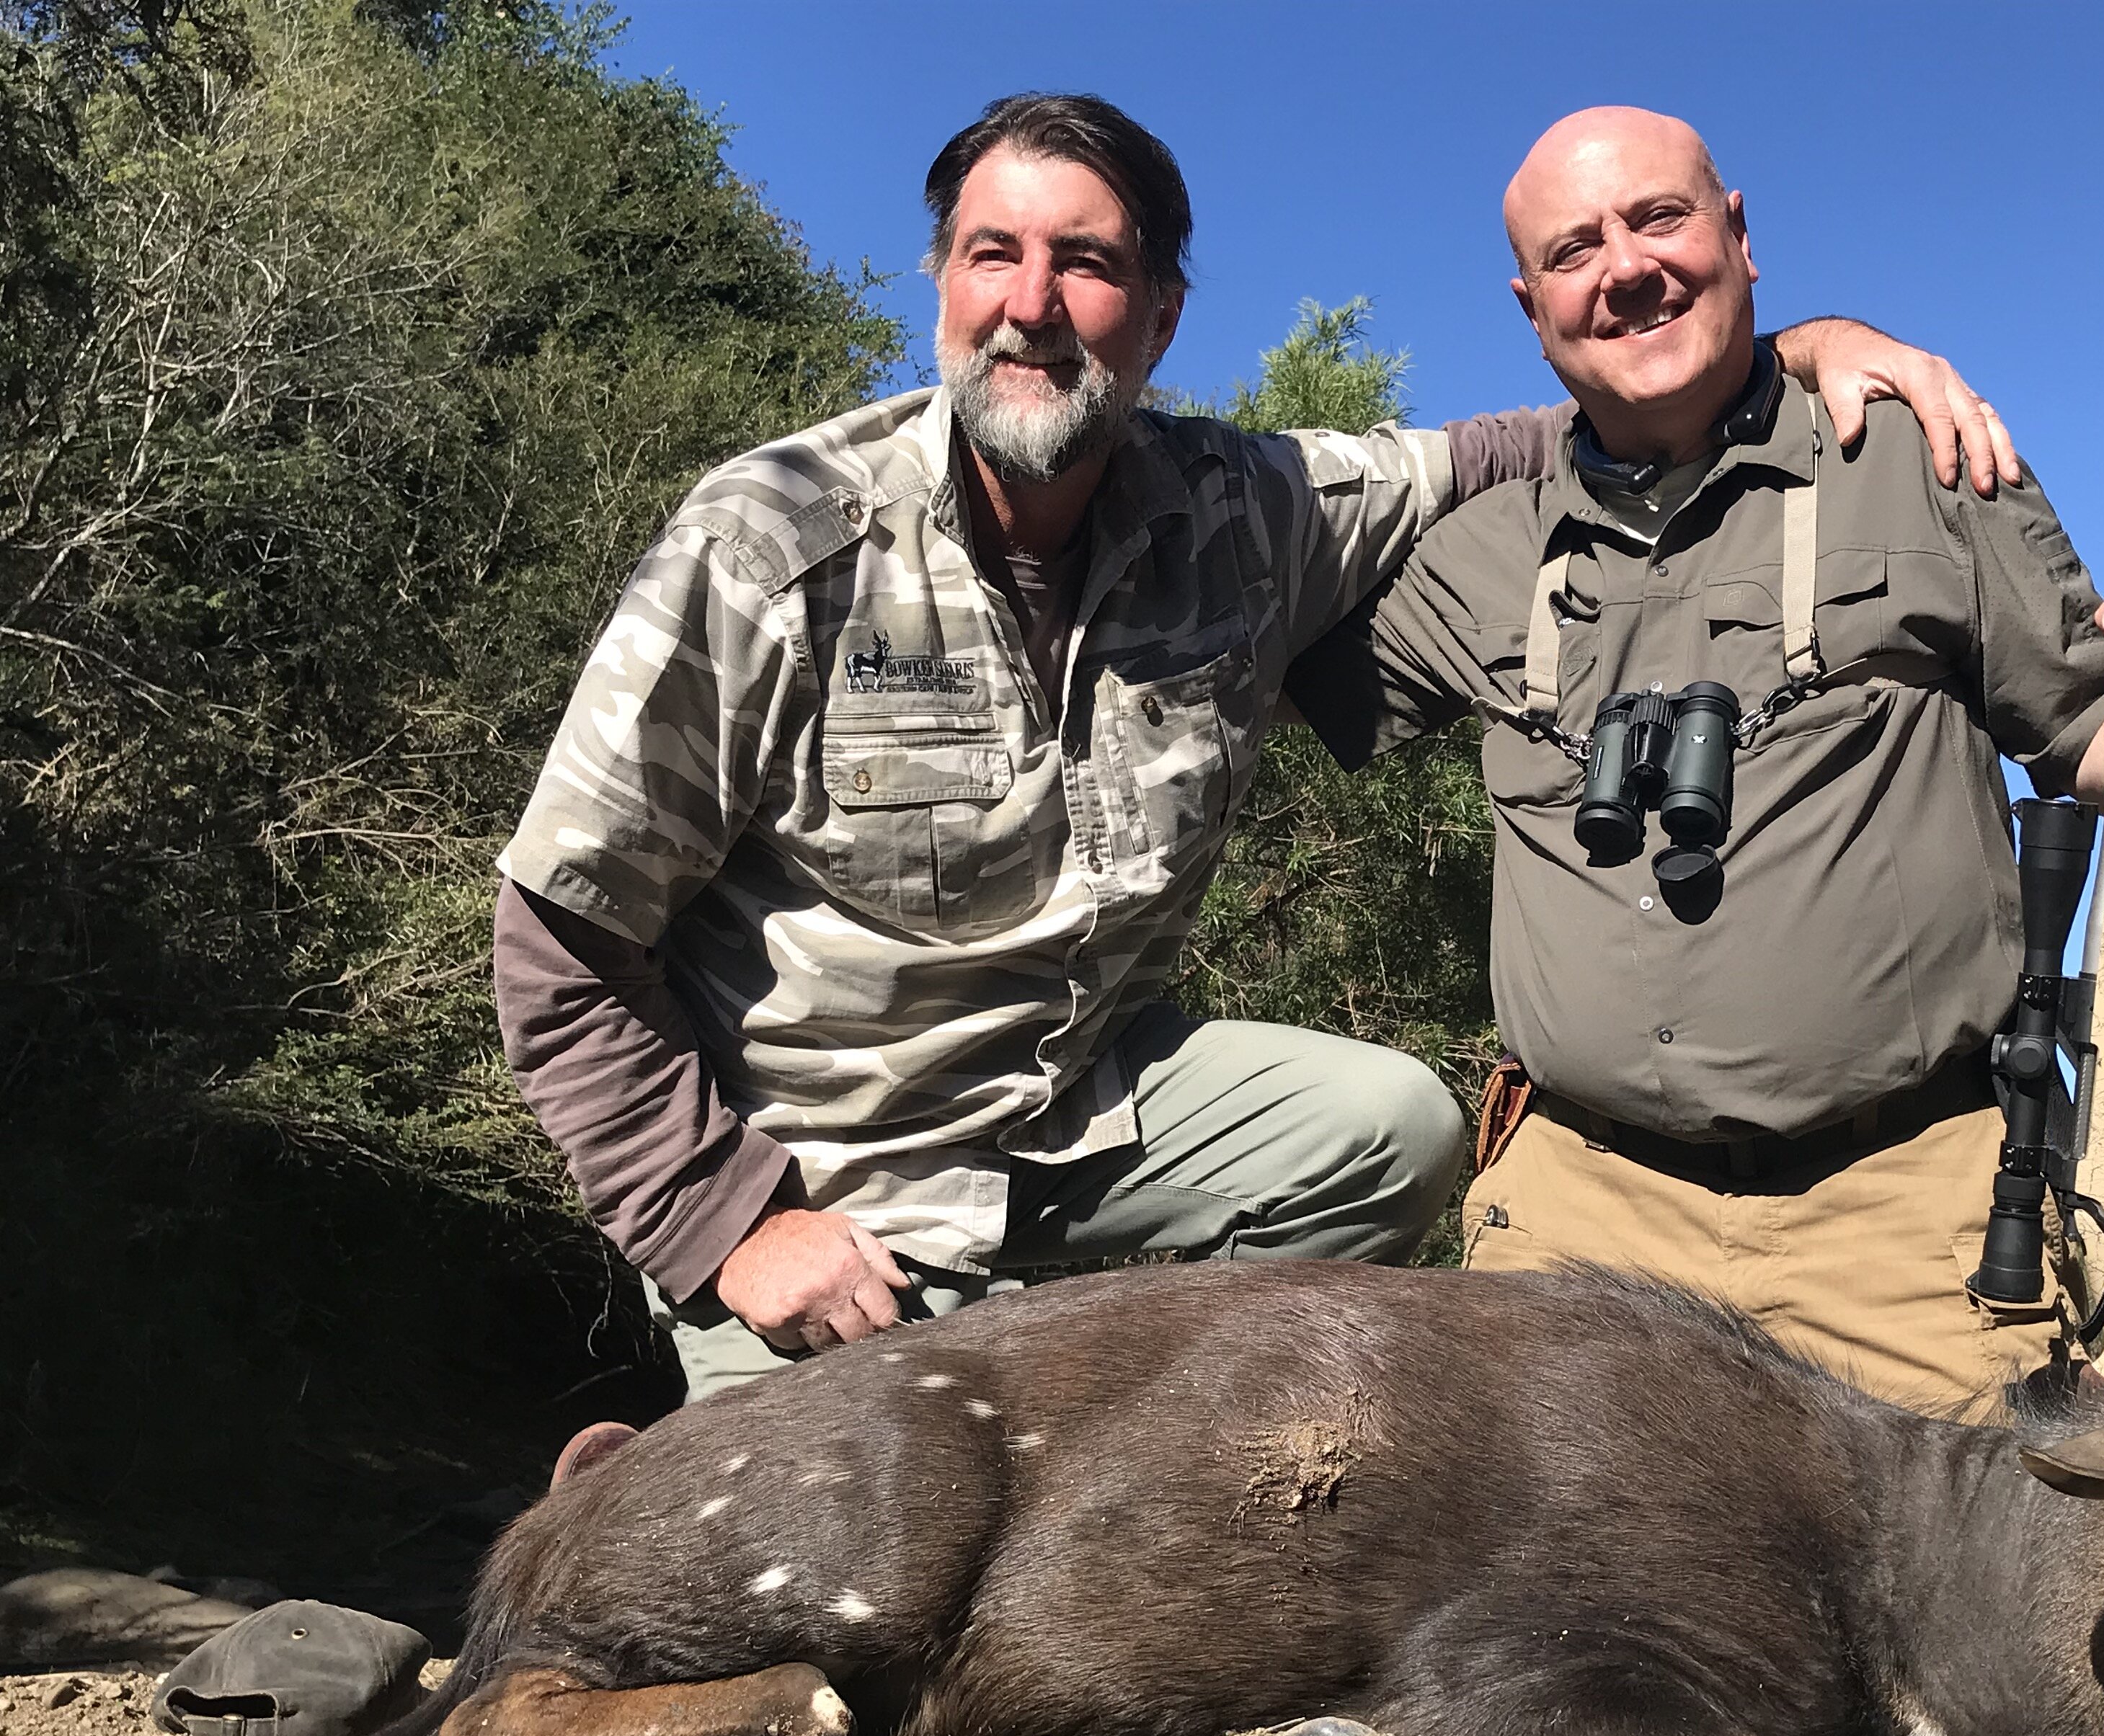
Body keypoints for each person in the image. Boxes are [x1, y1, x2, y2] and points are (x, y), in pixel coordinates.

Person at [496, 92, 2023, 1404]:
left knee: (1394, 1133)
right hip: (827, 1168)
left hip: (1084, 1110)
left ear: (1158, 315)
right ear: (942, 286)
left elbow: (1564, 426)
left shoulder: (1256, 507)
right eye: (994, 256)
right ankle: (649, 1440)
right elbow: (556, 945)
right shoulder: (770, 539)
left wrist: (1795, 346)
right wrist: (726, 1222)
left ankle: (1087, 1403)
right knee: (807, 1599)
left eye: (1088, 265)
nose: (1034, 303)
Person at [1279, 107, 2104, 1415]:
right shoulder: (1471, 553)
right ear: (1531, 308)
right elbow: (1238, 676)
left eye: (1659, 218)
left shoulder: (1923, 458)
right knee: (1547, 1616)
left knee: (1991, 1597)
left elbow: (2096, 740)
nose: (1624, 266)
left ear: (1738, 234)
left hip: (1912, 1207)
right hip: (1584, 1209)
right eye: (1574, 248)